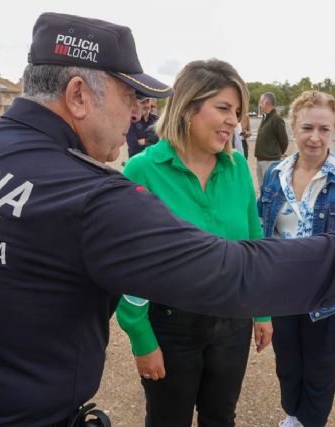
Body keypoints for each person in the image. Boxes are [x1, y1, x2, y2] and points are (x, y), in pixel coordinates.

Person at [0, 12, 335, 427]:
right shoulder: (88, 195)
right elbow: (235, 271)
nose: (138, 114)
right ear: (77, 95)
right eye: (129, 97)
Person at [116, 59, 272, 427]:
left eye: (237, 111)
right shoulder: (141, 170)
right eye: (223, 108)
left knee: (221, 417)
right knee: (168, 419)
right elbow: (126, 263)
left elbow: (254, 243)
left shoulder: (236, 169)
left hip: (233, 321)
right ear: (188, 107)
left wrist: (262, 310)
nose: (234, 120)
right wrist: (141, 338)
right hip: (171, 327)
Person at [259, 91, 335, 427]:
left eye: (324, 129)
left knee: (320, 372)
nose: (315, 137)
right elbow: (263, 225)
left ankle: (310, 422)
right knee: (288, 365)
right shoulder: (274, 175)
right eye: (307, 127)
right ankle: (294, 416)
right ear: (293, 127)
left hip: (329, 299)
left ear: (334, 129)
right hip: (283, 294)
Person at [255, 92, 288, 186]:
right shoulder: (265, 117)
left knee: (270, 189)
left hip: (270, 161)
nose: (259, 105)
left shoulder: (277, 119)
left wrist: (276, 154)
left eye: (260, 102)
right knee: (262, 188)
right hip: (260, 160)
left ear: (266, 102)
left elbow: (284, 141)